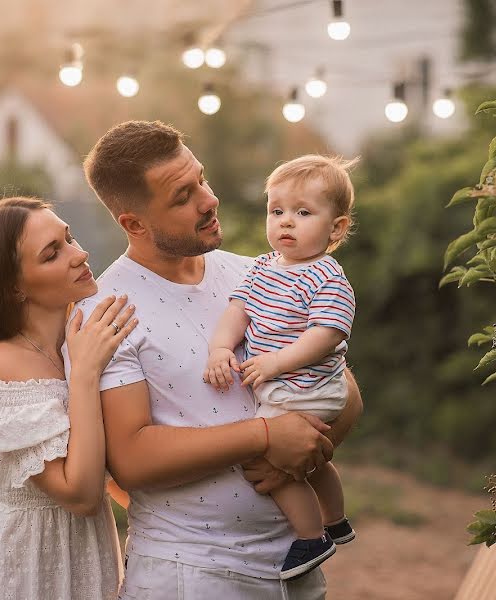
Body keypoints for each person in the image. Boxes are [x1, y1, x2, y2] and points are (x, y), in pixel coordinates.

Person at [70, 120, 362, 599]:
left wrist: (306, 448)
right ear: (134, 223)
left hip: (297, 566)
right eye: (182, 197)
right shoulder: (107, 312)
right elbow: (132, 459)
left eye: (201, 179)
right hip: (193, 576)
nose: (208, 200)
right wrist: (267, 435)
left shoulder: (257, 272)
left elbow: (339, 383)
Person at [0, 197, 137, 599]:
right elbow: (81, 494)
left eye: (68, 238)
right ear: (13, 286)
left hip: (87, 552)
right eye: (53, 253)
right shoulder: (2, 364)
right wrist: (85, 374)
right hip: (30, 561)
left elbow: (101, 458)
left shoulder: (76, 337)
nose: (80, 254)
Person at [203, 155, 358, 580]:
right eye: (277, 211)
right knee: (315, 461)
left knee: (270, 460)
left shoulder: (327, 277)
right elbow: (239, 309)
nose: (286, 222)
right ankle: (336, 520)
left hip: (308, 386)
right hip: (285, 384)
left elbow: (325, 335)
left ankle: (311, 538)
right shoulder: (262, 267)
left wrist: (273, 362)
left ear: (336, 228)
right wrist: (220, 348)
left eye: (303, 213)